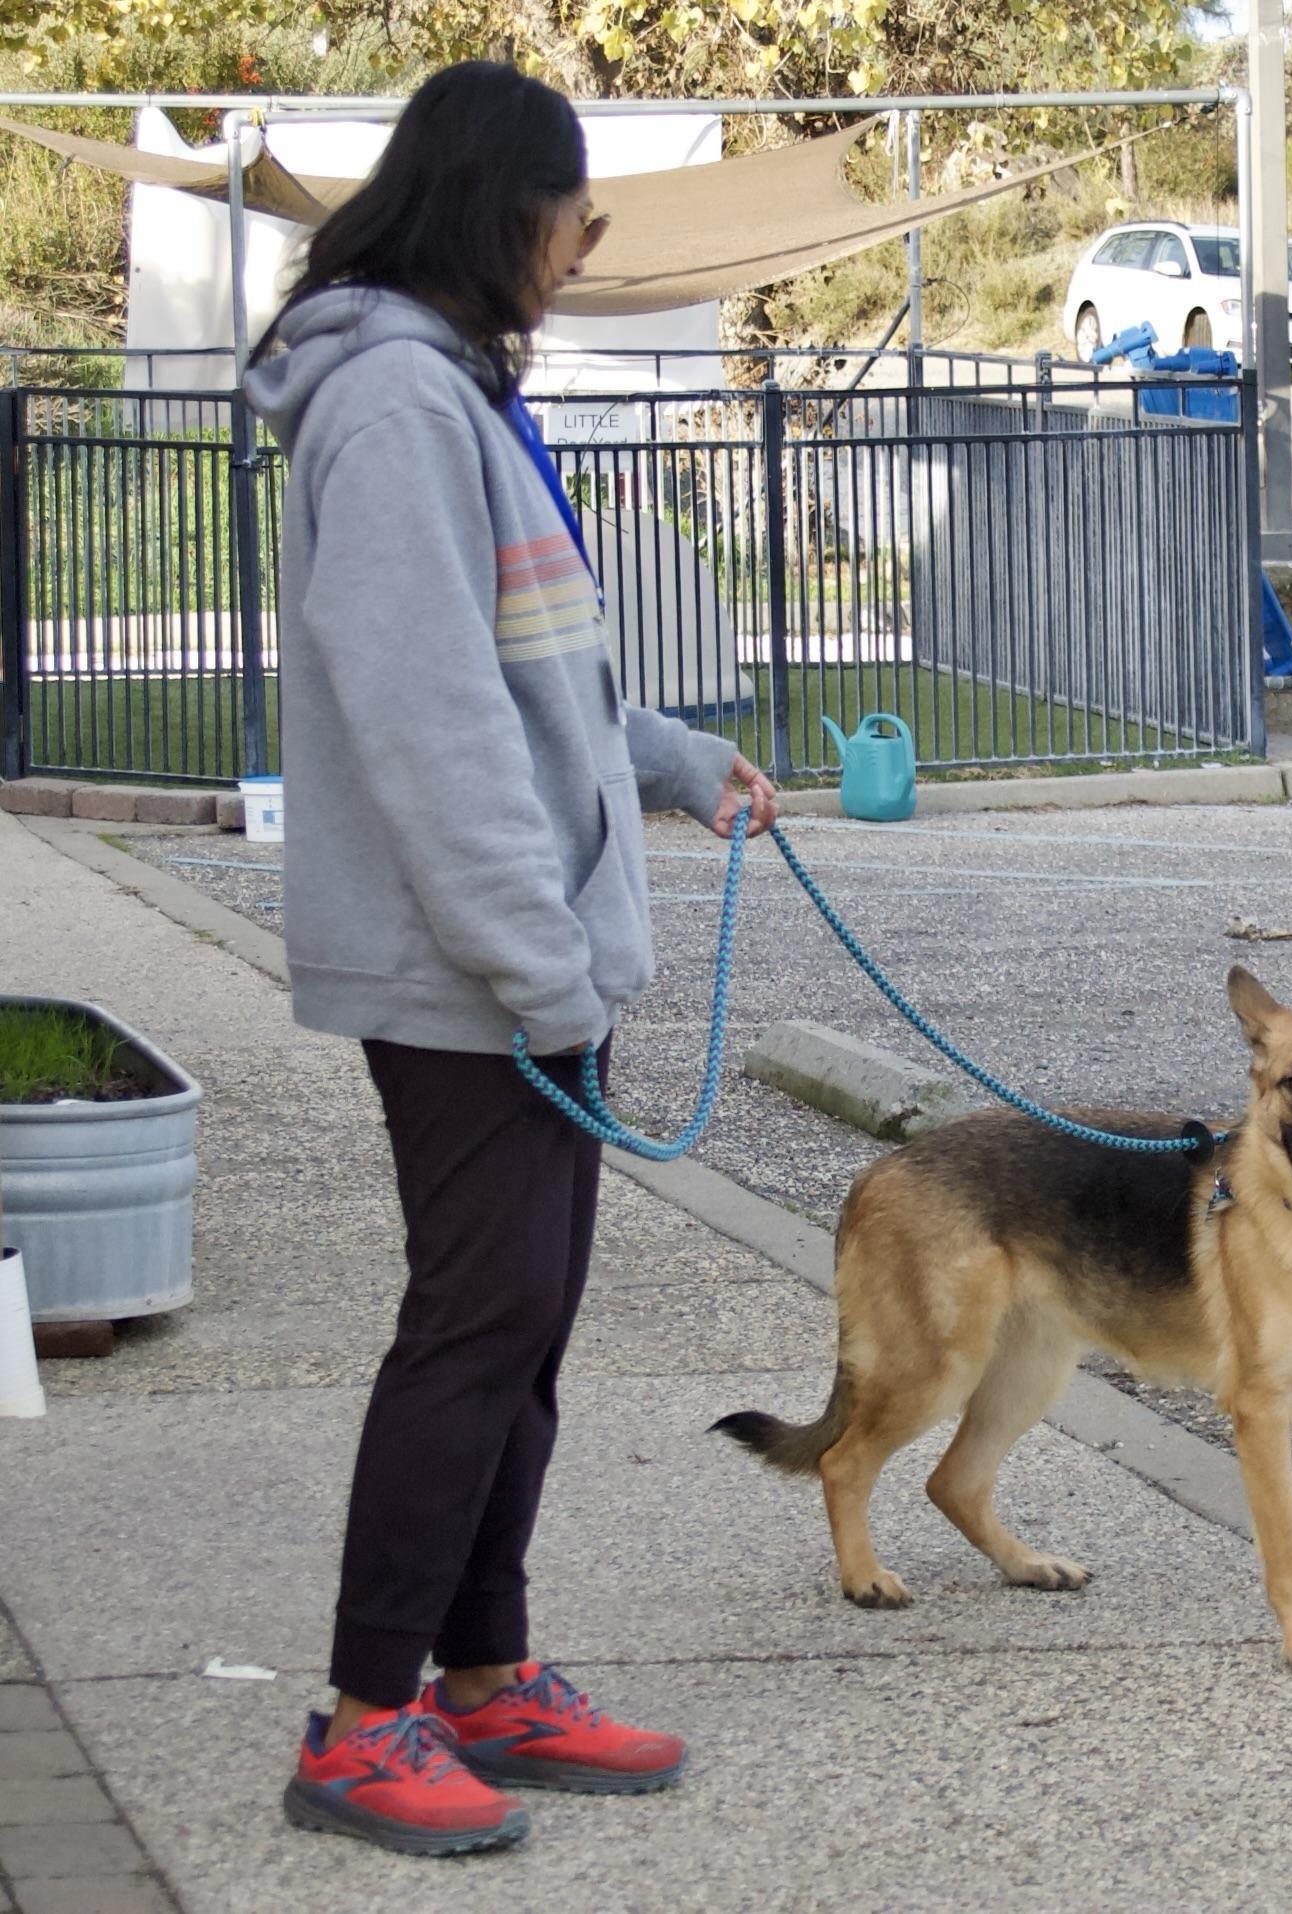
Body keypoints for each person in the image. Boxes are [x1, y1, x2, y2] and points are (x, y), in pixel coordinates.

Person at [246, 62, 777, 1855]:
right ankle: (362, 1718)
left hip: (525, 969)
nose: (584, 249)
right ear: (503, 208)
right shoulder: (397, 403)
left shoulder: (451, 391)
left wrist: (676, 760)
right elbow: (432, 726)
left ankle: (483, 1674)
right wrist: (542, 970)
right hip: (475, 976)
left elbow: (534, 677)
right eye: (576, 216)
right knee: (473, 1330)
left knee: (522, 1331)